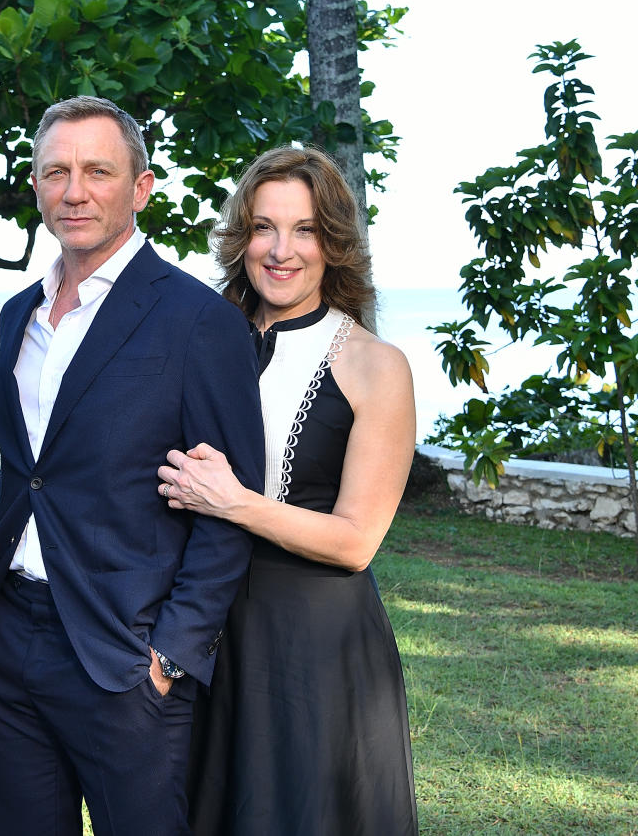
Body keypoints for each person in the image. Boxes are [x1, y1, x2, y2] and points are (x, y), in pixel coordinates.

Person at [0, 96, 265, 836]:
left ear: (142, 187)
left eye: (98, 170)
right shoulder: (15, 315)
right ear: (34, 187)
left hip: (125, 655)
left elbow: (230, 507)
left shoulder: (200, 322)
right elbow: (27, 476)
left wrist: (170, 653)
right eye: (55, 172)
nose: (74, 190)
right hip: (7, 640)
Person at [157, 146, 419, 835]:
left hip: (313, 650)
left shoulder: (375, 365)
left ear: (332, 241)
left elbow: (357, 540)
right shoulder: (200, 338)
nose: (281, 250)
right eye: (263, 227)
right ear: (240, 237)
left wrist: (232, 500)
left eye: (303, 229)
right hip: (203, 633)